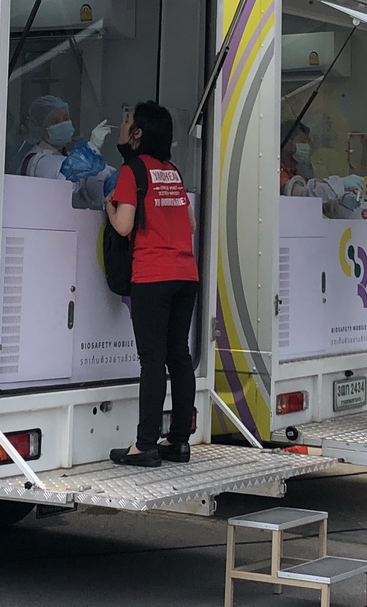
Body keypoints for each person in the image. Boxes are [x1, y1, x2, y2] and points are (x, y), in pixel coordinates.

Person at [105, 101, 199, 468]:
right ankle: (177, 442)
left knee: (152, 360)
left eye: (127, 120)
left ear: (139, 132)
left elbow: (125, 226)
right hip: (185, 275)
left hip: (152, 275)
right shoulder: (171, 172)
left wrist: (108, 207)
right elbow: (189, 225)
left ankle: (144, 445)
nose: (123, 124)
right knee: (179, 357)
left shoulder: (132, 171)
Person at [12, 94, 113, 208]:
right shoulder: (37, 161)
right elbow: (69, 172)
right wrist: (93, 146)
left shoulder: (66, 155)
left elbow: (91, 180)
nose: (63, 124)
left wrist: (114, 180)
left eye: (66, 119)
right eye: (55, 122)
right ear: (41, 129)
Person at [279, 120, 365, 219]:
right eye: (302, 141)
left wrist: (340, 203)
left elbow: (319, 204)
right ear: (286, 143)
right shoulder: (277, 173)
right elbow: (301, 195)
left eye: (308, 143)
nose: (307, 147)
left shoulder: (299, 174)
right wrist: (339, 184)